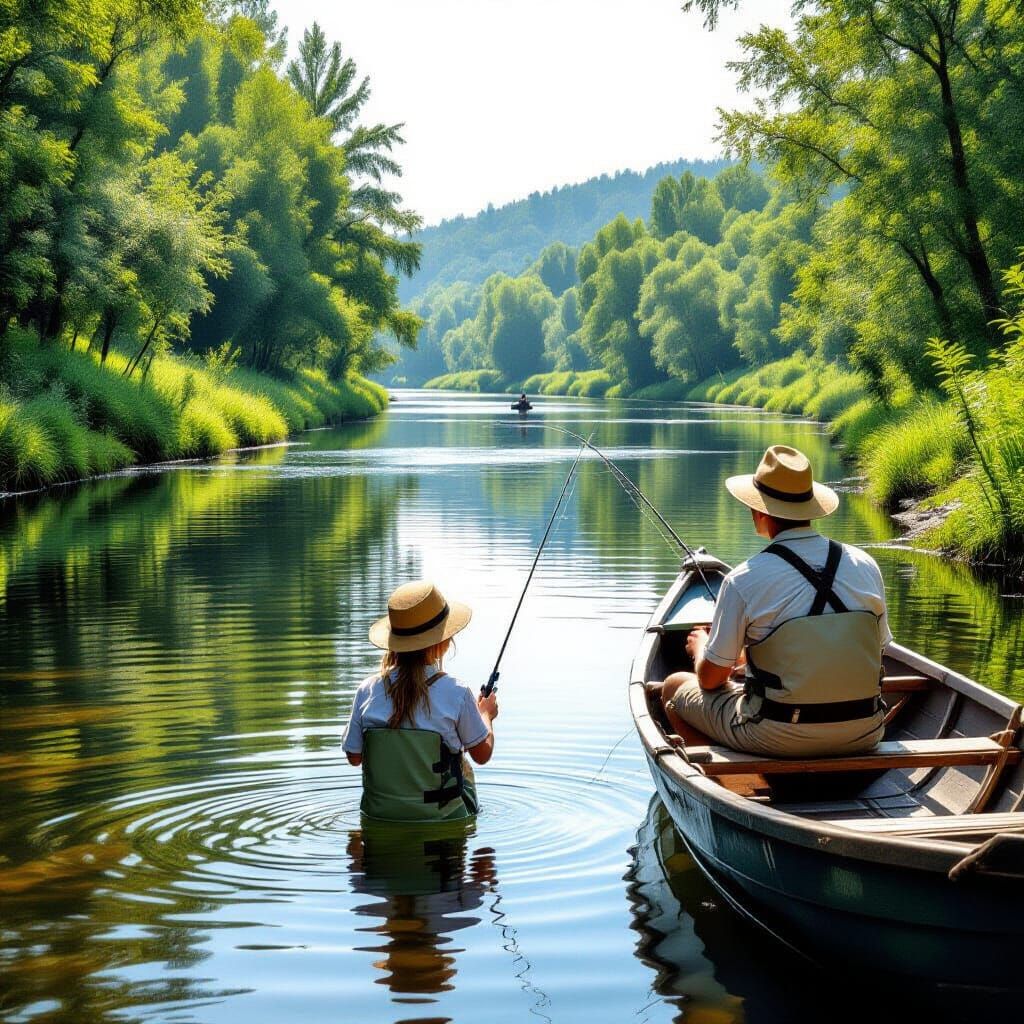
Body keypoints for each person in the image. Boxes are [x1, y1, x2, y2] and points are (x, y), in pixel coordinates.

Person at [656, 445, 891, 758]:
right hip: (866, 730)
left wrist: (701, 646)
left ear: (759, 510)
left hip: (777, 735)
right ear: (809, 507)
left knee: (673, 686)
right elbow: (873, 650)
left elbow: (710, 680)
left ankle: (725, 778)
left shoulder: (744, 580)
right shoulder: (865, 564)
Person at [343, 580, 499, 821]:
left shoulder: (367, 690)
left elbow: (354, 758)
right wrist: (485, 714)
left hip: (379, 816)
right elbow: (481, 755)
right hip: (443, 820)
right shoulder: (456, 693)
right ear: (443, 642)